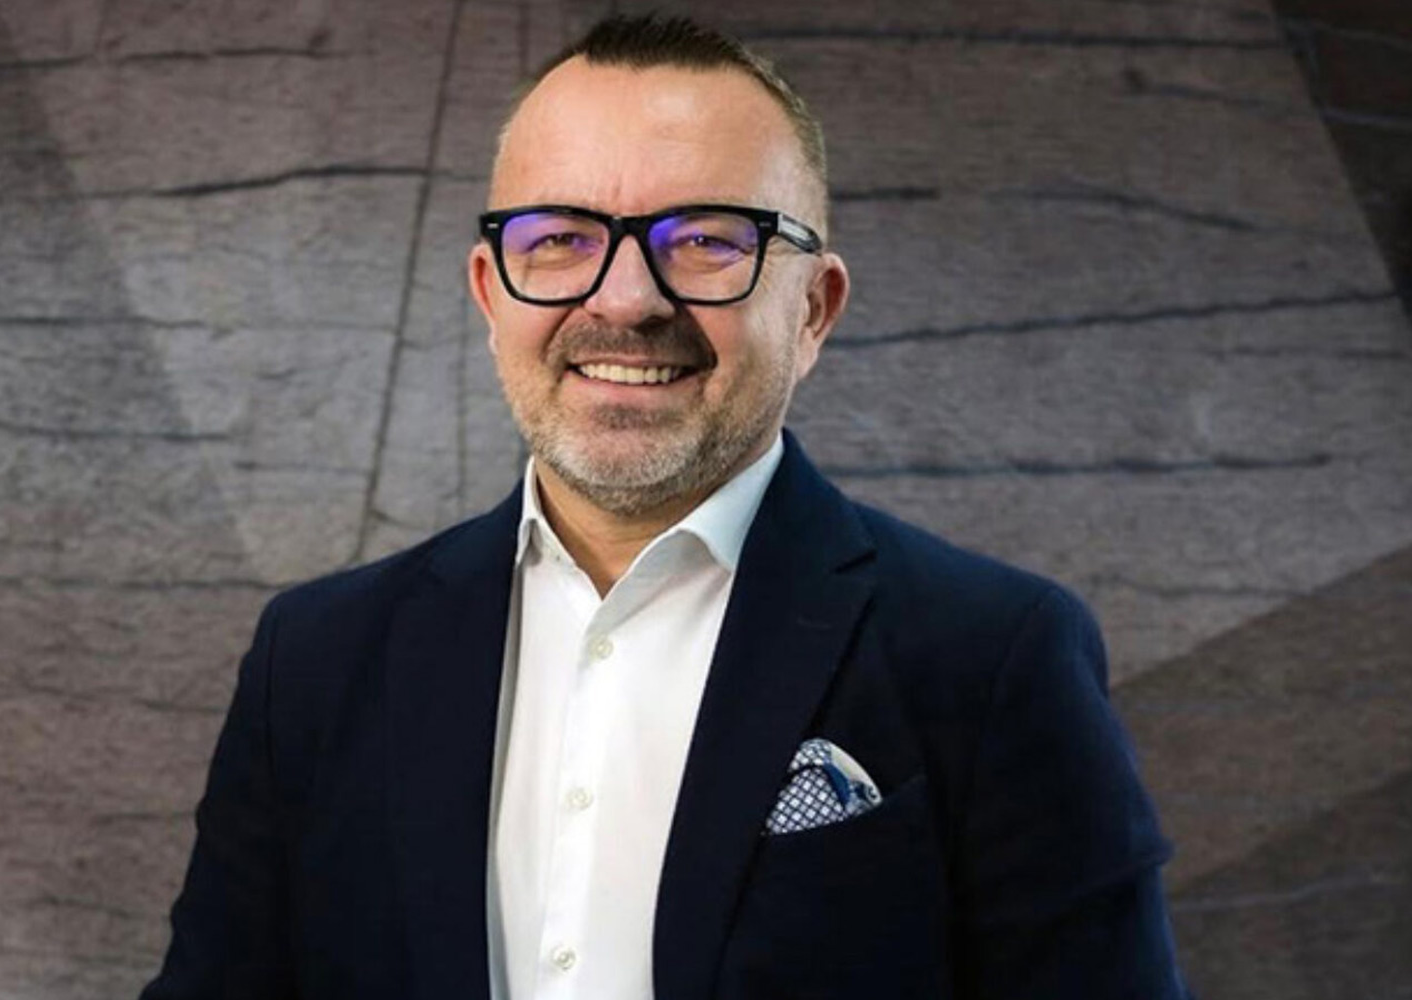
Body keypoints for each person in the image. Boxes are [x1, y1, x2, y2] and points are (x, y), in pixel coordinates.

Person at [142, 14, 1189, 1000]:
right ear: (490, 292)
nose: (625, 299)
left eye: (706, 241)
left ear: (813, 308)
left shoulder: (992, 656)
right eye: (559, 238)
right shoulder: (315, 661)